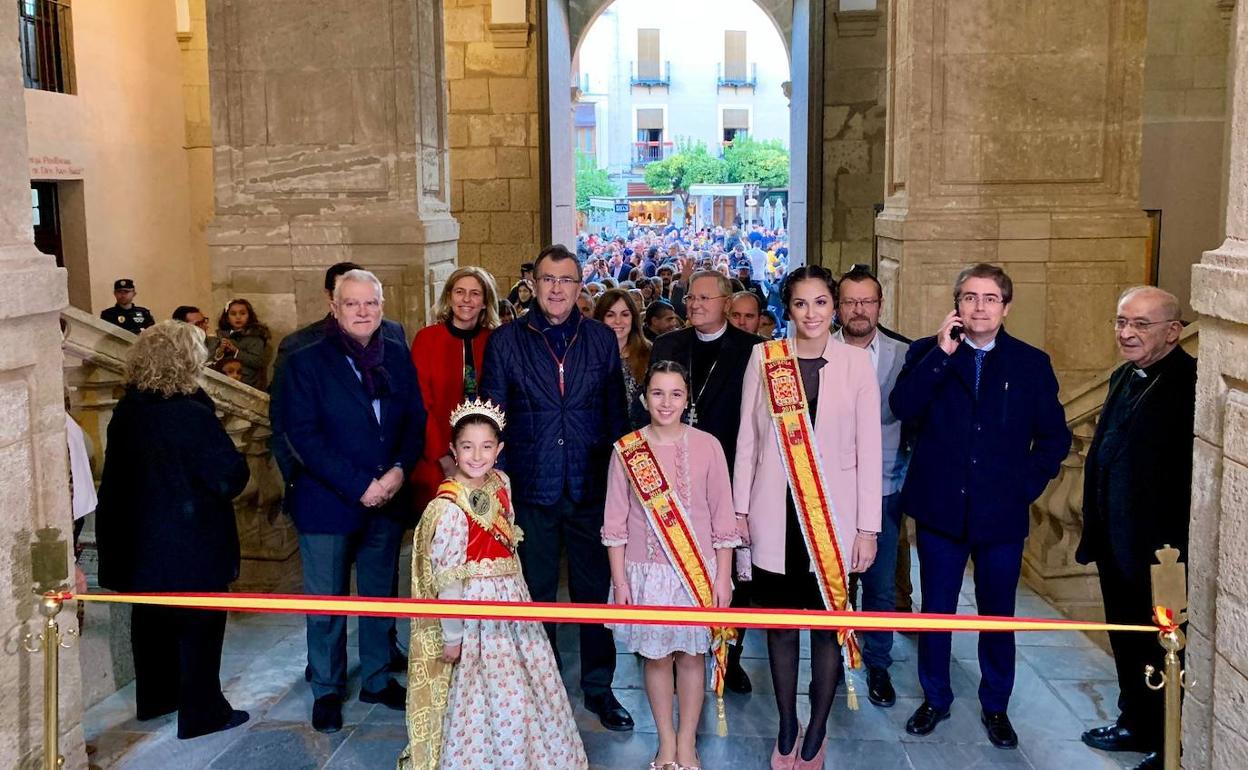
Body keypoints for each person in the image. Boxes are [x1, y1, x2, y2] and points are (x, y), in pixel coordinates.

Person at [890, 263, 1071, 748]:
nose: (979, 307)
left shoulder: (1031, 363)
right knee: (938, 612)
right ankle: (935, 698)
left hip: (1001, 514)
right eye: (969, 297)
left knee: (996, 614)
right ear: (956, 305)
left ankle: (996, 705)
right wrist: (941, 356)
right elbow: (903, 407)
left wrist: (1024, 487)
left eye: (990, 298)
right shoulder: (928, 353)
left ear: (1006, 307)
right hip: (940, 510)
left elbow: (1054, 438)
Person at [479, 244, 634, 732]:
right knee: (537, 592)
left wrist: (621, 482)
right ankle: (539, 688)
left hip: (590, 486)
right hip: (532, 486)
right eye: (548, 279)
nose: (556, 289)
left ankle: (599, 688)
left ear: (580, 285)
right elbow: (491, 414)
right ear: (533, 283)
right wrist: (497, 481)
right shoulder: (506, 341)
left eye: (566, 280)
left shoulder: (600, 340)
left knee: (594, 592)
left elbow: (616, 416)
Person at [734, 265, 882, 769]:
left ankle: (817, 727)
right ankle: (786, 724)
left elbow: (869, 450)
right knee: (780, 626)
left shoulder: (856, 363)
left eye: (822, 303)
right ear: (788, 309)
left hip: (833, 520)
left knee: (825, 627)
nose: (812, 313)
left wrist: (868, 528)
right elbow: (747, 441)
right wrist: (739, 510)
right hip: (775, 514)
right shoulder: (765, 358)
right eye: (801, 304)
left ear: (835, 307)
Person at [276, 269, 427, 733]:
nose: (363, 312)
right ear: (334, 307)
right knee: (326, 601)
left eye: (371, 304)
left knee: (381, 595)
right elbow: (300, 435)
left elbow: (414, 417)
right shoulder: (304, 358)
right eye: (353, 304)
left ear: (381, 306)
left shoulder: (397, 351)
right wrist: (361, 484)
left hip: (389, 497)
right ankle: (327, 687)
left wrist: (401, 468)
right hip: (329, 501)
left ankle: (378, 678)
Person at [398, 401, 587, 770]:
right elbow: (449, 581)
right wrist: (452, 637)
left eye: (487, 446)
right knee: (483, 693)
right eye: (467, 447)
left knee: (526, 686)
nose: (477, 455)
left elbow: (509, 540)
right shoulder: (450, 507)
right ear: (453, 450)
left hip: (512, 599)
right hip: (474, 611)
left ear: (499, 450)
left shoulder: (503, 483)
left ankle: (531, 756)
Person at [94, 321, 250, 740]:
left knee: (151, 621)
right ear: (187, 362)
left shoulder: (129, 409)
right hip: (190, 541)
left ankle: (158, 698)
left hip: (139, 540)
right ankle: (203, 713)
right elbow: (228, 478)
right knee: (200, 627)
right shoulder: (189, 413)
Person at [1076, 287, 1195, 770]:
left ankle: (1167, 742)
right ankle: (1134, 721)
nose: (1126, 333)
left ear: (1173, 331)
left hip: (1162, 551)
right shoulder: (1126, 375)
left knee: (1163, 648)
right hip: (1114, 541)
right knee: (1125, 638)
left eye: (1140, 325)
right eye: (1121, 322)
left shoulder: (1191, 383)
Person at [603, 362, 738, 770]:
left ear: (687, 398)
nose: (666, 402)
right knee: (657, 658)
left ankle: (687, 743)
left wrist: (724, 575)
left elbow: (723, 517)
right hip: (646, 573)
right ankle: (665, 742)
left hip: (697, 572)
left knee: (692, 658)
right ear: (645, 397)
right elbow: (615, 522)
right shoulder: (627, 449)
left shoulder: (708, 445)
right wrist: (620, 580)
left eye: (675, 394)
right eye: (658, 393)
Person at [650, 269, 761, 695]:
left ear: (727, 303)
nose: (694, 304)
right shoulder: (669, 345)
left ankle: (729, 656)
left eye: (705, 298)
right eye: (690, 297)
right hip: (674, 473)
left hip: (731, 474)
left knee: (732, 573)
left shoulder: (753, 350)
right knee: (675, 567)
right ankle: (678, 651)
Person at [834, 266, 911, 708]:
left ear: (880, 306)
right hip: (831, 492)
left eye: (867, 301)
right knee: (836, 584)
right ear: (838, 306)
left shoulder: (904, 354)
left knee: (880, 586)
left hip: (884, 490)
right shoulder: (819, 351)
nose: (859, 310)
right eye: (850, 301)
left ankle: (878, 663)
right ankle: (834, 660)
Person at [408, 266, 500, 515]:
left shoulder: (494, 340)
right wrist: (443, 457)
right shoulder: (427, 339)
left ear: (485, 302)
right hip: (436, 458)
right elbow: (420, 403)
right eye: (460, 292)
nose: (467, 300)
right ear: (449, 297)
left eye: (475, 293)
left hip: (486, 459)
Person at [593, 288, 651, 429]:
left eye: (625, 314)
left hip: (641, 440)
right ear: (600, 318)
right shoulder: (586, 355)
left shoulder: (651, 354)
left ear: (633, 318)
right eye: (610, 315)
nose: (618, 321)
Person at [207, 298, 271, 389]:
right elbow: (211, 362)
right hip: (222, 383)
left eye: (242, 313)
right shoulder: (220, 335)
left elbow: (258, 361)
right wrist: (220, 351)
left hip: (247, 383)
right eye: (233, 314)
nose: (238, 317)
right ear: (227, 318)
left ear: (249, 316)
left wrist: (236, 351)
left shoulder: (255, 336)